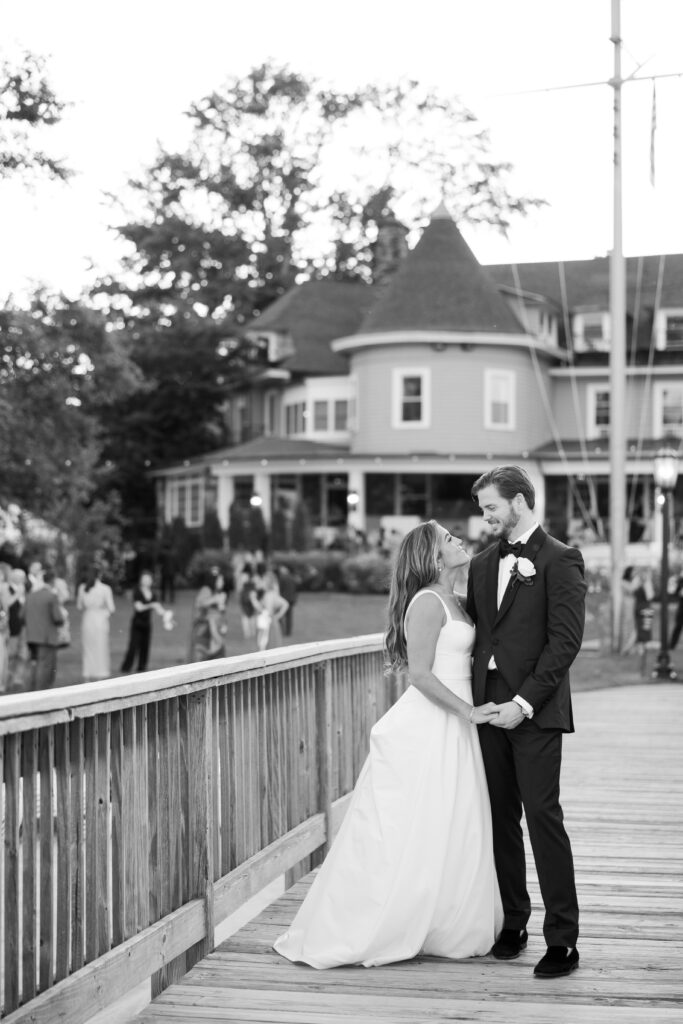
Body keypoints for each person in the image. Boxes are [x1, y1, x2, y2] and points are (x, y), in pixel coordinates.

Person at [274, 520, 502, 968]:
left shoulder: (456, 600)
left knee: (454, 820)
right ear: (432, 556)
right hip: (435, 723)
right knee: (416, 821)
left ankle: (444, 919)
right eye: (448, 540)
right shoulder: (427, 602)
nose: (459, 541)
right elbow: (419, 674)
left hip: (456, 724)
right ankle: (384, 920)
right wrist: (470, 711)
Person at [467, 465, 586, 979]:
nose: (486, 517)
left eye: (492, 506)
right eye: (482, 509)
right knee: (500, 819)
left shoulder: (562, 559)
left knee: (542, 818)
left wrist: (524, 703)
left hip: (534, 710)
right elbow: (477, 637)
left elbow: (565, 644)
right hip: (487, 706)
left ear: (519, 501)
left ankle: (563, 938)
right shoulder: (481, 563)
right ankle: (514, 921)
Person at [24, 568, 65, 690]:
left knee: (34, 664)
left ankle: (31, 689)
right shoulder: (51, 596)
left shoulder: (30, 596)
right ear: (52, 581)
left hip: (31, 636)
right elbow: (58, 618)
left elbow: (22, 615)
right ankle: (40, 692)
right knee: (45, 666)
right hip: (46, 637)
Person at [120, 570, 166, 674]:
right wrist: (152, 605)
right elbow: (138, 608)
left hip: (147, 624)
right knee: (133, 646)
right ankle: (126, 667)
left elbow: (159, 609)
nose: (146, 581)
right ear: (141, 580)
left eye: (148, 579)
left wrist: (167, 616)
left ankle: (141, 668)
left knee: (145, 647)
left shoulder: (153, 594)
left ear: (151, 581)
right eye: (144, 579)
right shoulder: (137, 591)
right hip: (137, 624)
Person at [76, 568, 116, 682]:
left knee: (88, 648)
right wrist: (104, 614)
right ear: (100, 575)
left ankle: (87, 676)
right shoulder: (105, 588)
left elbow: (79, 606)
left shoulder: (82, 587)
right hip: (100, 620)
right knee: (100, 648)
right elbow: (112, 609)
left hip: (88, 619)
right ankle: (100, 675)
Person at [189, 570, 229, 661]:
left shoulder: (216, 592)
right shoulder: (206, 589)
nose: (222, 582)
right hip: (202, 630)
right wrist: (215, 599)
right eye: (220, 580)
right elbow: (200, 603)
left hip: (211, 631)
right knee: (200, 660)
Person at [6, 568, 28, 691]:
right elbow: (7, 605)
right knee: (11, 654)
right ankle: (7, 679)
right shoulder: (7, 589)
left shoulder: (25, 590)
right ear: (14, 577)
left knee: (23, 654)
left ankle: (18, 679)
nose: (23, 579)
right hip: (12, 627)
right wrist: (17, 594)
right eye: (21, 577)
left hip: (24, 627)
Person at [255, 570, 289, 651]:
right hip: (273, 623)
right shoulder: (273, 594)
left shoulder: (269, 595)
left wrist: (255, 603)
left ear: (267, 583)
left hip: (268, 625)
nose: (261, 582)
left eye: (262, 580)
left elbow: (268, 611)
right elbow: (285, 604)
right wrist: (278, 616)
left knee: (266, 648)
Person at [276, 565, 298, 637]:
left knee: (281, 615)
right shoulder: (292, 578)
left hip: (284, 599)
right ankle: (288, 632)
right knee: (289, 617)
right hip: (291, 599)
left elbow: (280, 590)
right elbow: (296, 589)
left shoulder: (282, 578)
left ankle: (281, 631)